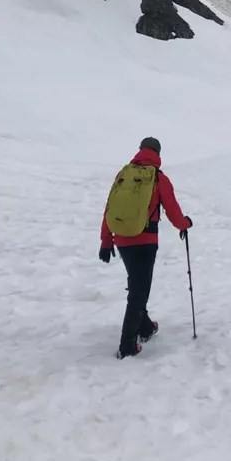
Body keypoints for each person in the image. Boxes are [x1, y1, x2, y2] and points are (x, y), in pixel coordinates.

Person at [99, 137, 193, 358]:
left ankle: (146, 327)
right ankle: (127, 345)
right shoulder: (158, 178)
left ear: (140, 150)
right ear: (158, 154)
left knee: (137, 285)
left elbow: (110, 208)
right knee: (139, 293)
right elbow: (173, 211)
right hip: (145, 241)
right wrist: (185, 224)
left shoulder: (123, 174)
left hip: (122, 240)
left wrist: (106, 240)